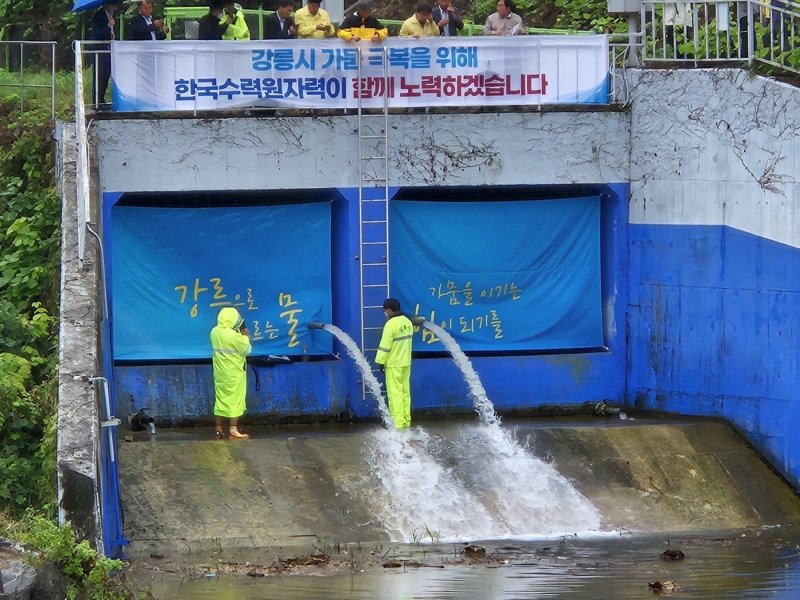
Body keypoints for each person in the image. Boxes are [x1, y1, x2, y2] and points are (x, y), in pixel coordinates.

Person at [210, 306, 252, 440]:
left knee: (220, 399)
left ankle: (218, 429)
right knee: (235, 400)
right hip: (233, 372)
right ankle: (233, 429)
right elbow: (246, 350)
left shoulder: (214, 331)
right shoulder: (234, 335)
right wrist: (245, 337)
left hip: (220, 372)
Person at [375, 298, 414, 430]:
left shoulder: (390, 324)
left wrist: (380, 361)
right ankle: (406, 421)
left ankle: (397, 424)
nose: (385, 313)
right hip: (406, 363)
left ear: (390, 310)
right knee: (405, 393)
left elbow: (385, 346)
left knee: (395, 393)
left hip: (394, 364)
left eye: (385, 311)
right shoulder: (407, 322)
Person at [89, 1, 120, 109]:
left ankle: (101, 100)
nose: (115, 9)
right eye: (113, 6)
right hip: (99, 49)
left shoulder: (110, 15)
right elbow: (97, 34)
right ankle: (96, 102)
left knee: (105, 75)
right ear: (108, 5)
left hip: (107, 49)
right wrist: (108, 26)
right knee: (99, 75)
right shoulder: (99, 16)